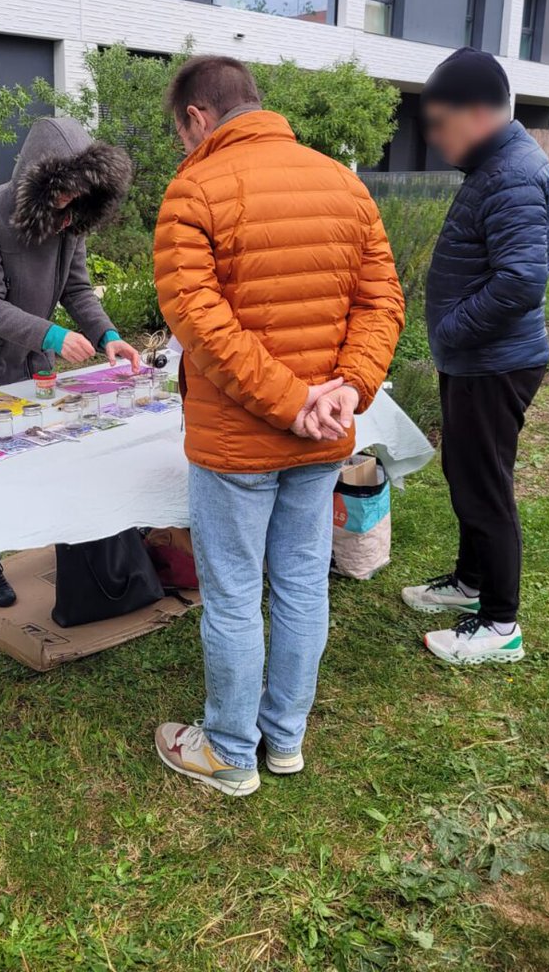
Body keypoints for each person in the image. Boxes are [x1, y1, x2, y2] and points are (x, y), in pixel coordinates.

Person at [152, 56, 404, 797]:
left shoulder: (193, 188)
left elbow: (198, 321)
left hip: (240, 439)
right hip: (320, 433)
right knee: (301, 585)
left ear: (198, 116)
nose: (182, 144)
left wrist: (298, 400)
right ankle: (284, 740)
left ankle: (232, 751)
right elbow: (382, 300)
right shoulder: (343, 182)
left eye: (181, 131)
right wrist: (344, 392)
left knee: (234, 594)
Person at [0, 115, 141, 607]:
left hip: (27, 354)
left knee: (31, 450)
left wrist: (107, 334)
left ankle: (28, 532)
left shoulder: (73, 220)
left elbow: (77, 287)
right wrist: (51, 333)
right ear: (37, 178)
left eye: (80, 193)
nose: (69, 203)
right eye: (62, 192)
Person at [401, 48, 549, 666]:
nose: (437, 141)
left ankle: (500, 626)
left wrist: (451, 327)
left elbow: (521, 282)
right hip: (479, 359)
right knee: (467, 477)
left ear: (475, 114)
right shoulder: (497, 167)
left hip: (494, 361)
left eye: (440, 127)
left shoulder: (515, 174)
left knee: (485, 488)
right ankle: (470, 583)